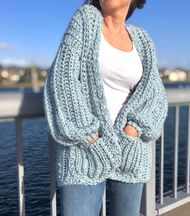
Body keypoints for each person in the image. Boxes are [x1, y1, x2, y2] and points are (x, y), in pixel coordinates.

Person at [43, 0, 168, 215]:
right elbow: (62, 81)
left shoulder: (142, 39)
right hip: (84, 150)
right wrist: (90, 137)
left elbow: (156, 94)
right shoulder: (85, 20)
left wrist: (133, 129)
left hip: (131, 150)